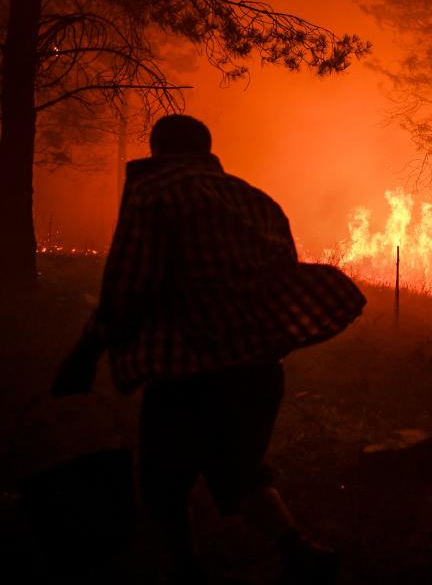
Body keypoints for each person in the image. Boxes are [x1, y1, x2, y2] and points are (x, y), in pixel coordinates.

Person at [53, 114, 365, 583]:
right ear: (206, 149)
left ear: (158, 150)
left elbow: (127, 289)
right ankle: (299, 551)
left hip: (188, 374)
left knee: (162, 483)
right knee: (239, 470)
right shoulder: (255, 200)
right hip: (259, 371)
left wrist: (86, 352)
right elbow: (280, 280)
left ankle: (186, 572)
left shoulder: (154, 194)